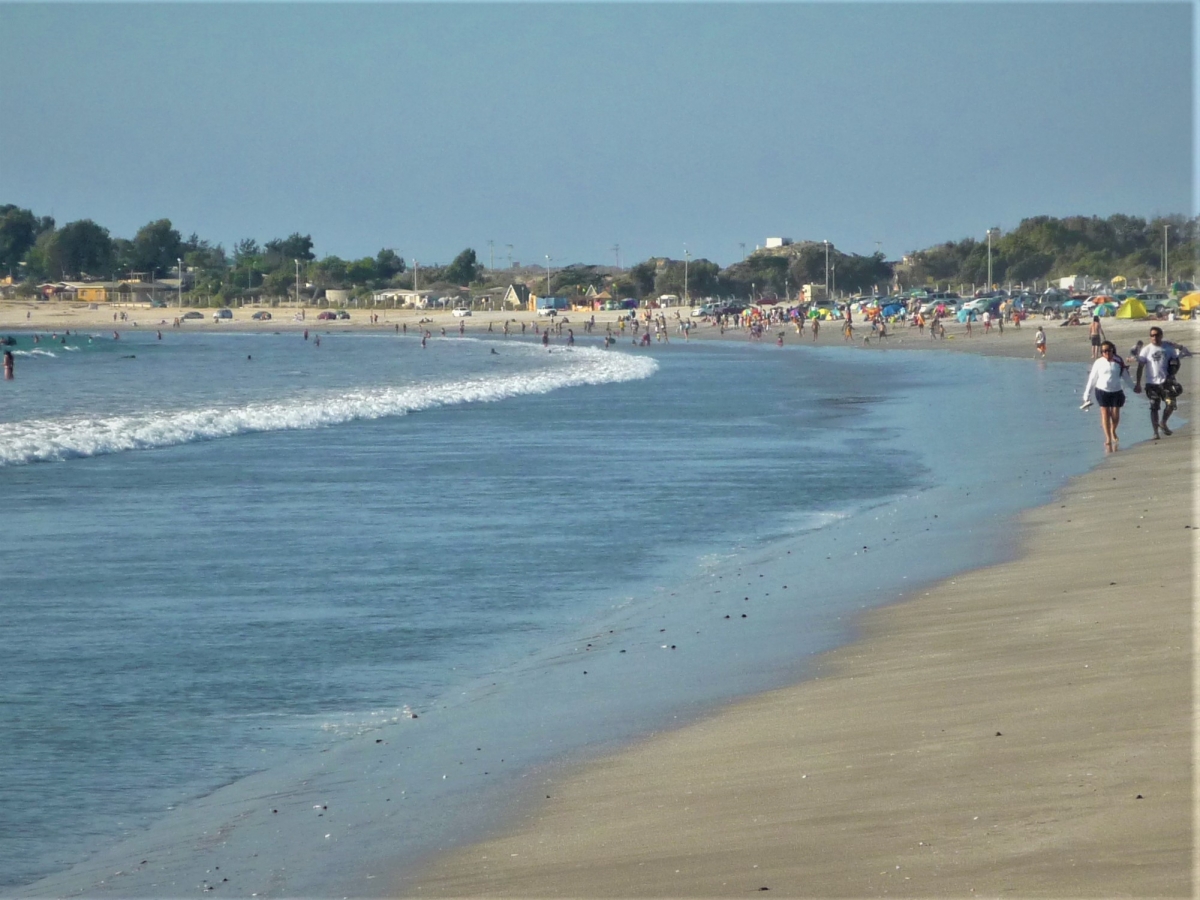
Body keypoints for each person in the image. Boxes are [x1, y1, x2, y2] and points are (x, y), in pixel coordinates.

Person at [1082, 341, 1133, 450]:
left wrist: (1134, 387)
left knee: (1115, 415)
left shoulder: (1118, 360)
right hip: (1102, 390)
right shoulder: (1098, 362)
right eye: (1104, 351)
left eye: (1108, 350)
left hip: (1116, 391)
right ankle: (1108, 438)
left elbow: (1125, 376)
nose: (1106, 353)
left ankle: (1113, 430)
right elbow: (1092, 378)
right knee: (1105, 413)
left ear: (1112, 350)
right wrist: (1086, 394)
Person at [1133, 326, 1182, 438]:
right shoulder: (1146, 350)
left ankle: (1163, 422)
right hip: (1152, 384)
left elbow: (1176, 363)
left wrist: (1173, 374)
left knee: (1171, 404)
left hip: (1166, 382)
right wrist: (1138, 383)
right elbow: (1140, 367)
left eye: (1156, 335)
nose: (1154, 337)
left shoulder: (1169, 349)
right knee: (1154, 407)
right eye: (1152, 335)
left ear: (1161, 335)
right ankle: (1155, 432)